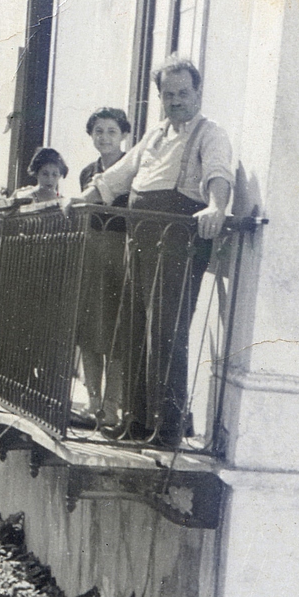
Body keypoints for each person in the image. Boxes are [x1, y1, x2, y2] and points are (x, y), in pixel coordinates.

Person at [67, 55, 233, 447]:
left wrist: (217, 207)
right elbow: (120, 175)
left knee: (167, 332)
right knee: (134, 330)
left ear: (197, 94)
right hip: (138, 240)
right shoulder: (156, 135)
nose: (175, 101)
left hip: (177, 242)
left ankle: (167, 428)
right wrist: (84, 197)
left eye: (182, 93)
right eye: (168, 94)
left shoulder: (211, 135)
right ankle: (138, 421)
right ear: (160, 97)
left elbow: (218, 174)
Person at [74, 108, 132, 427]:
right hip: (92, 252)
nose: (104, 137)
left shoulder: (132, 172)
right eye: (98, 131)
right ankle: (93, 401)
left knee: (116, 333)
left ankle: (112, 407)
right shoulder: (86, 173)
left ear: (123, 135)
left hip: (121, 253)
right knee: (89, 329)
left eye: (111, 131)